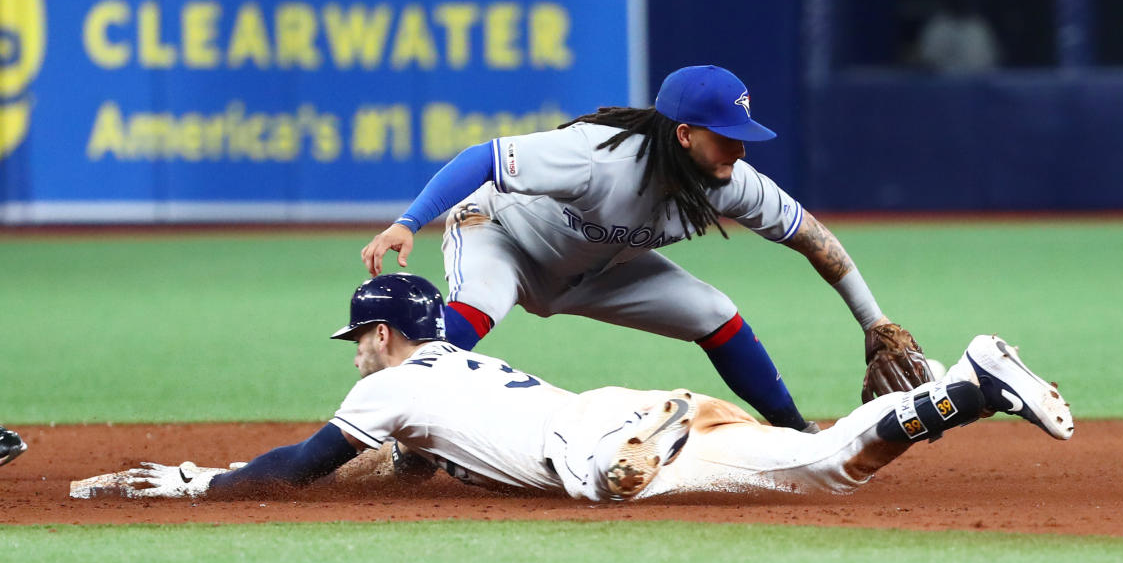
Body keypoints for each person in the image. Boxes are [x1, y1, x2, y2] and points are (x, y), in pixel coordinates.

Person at [71, 273, 1073, 503]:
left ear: (382, 333)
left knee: (817, 471)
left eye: (357, 339)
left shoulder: (388, 387)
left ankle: (969, 389)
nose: (354, 355)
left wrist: (202, 482)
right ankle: (968, 389)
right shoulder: (450, 373)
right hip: (636, 404)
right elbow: (429, 455)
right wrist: (407, 461)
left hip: (604, 452)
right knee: (828, 466)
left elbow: (296, 465)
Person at [360, 64, 922, 434]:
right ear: (684, 134)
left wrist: (874, 321)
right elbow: (483, 158)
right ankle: (380, 424)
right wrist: (409, 222)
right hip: (505, 237)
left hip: (601, 266)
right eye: (726, 136)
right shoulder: (598, 155)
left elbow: (815, 242)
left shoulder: (734, 181)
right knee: (478, 307)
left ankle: (796, 434)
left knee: (713, 312)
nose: (738, 150)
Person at [914, 0, 1001, 74]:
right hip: (942, 83)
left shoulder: (978, 26)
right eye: (955, 1)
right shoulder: (937, 26)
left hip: (977, 82)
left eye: (961, 1)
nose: (958, 3)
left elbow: (992, 60)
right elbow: (927, 60)